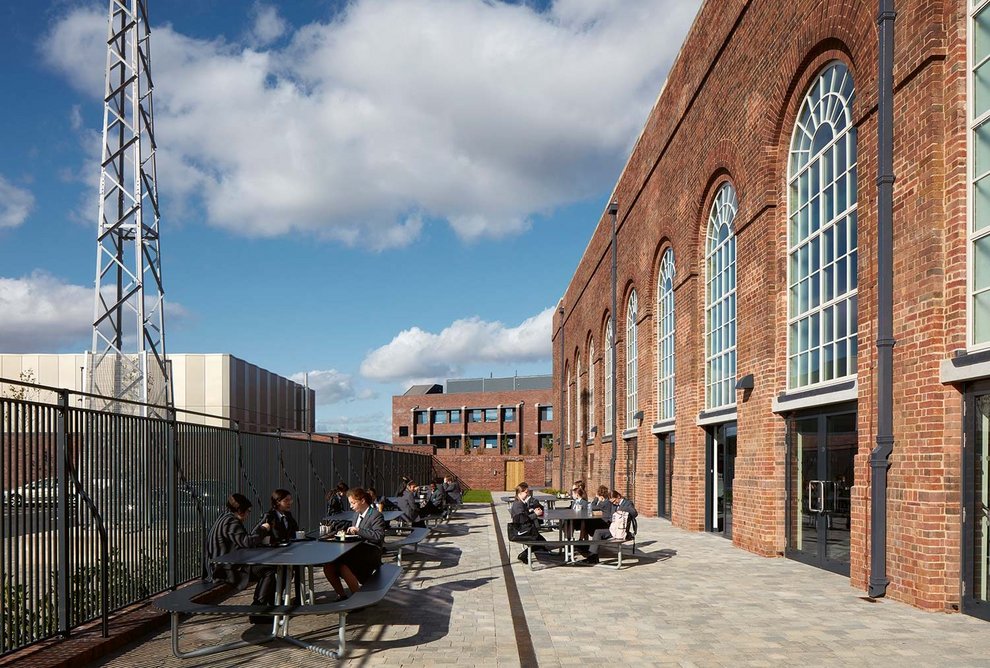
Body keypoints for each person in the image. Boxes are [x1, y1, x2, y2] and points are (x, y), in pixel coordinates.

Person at [205, 493, 275, 622]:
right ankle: (257, 611)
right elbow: (246, 541)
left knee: (268, 568)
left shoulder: (224, 518)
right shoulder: (231, 521)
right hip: (224, 569)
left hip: (226, 564)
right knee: (268, 571)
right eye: (248, 511)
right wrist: (263, 529)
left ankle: (269, 608)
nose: (248, 514)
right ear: (240, 510)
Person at [323, 487, 385, 601]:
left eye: (353, 503)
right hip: (355, 548)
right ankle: (341, 595)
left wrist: (358, 530)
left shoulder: (376, 515)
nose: (351, 506)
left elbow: (378, 536)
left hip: (370, 550)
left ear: (362, 501)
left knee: (343, 564)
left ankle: (357, 598)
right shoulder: (356, 515)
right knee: (329, 565)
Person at [583, 490, 638, 564]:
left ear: (618, 496)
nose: (614, 503)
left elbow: (634, 513)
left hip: (621, 530)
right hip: (613, 527)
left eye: (614, 501)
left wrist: (621, 511)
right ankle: (591, 553)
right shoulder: (613, 504)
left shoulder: (627, 503)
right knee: (592, 525)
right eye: (612, 502)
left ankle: (593, 557)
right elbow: (611, 516)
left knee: (598, 533)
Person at [509, 482, 547, 563]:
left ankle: (542, 550)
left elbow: (525, 516)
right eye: (526, 492)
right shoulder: (518, 505)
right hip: (524, 531)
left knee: (542, 542)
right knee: (541, 543)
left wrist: (533, 512)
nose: (528, 494)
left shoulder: (520, 503)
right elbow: (523, 520)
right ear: (520, 493)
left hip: (525, 528)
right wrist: (535, 514)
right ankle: (523, 555)